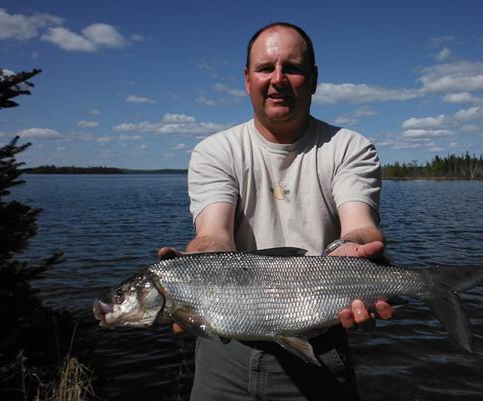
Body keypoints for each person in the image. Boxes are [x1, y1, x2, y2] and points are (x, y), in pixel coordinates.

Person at [159, 22, 394, 401]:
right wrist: (196, 259)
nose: (278, 79)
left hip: (320, 336)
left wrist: (361, 247)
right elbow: (215, 235)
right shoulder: (215, 151)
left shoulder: (350, 147)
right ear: (247, 78)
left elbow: (359, 227)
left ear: (314, 79)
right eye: (266, 68)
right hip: (225, 344)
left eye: (293, 68)